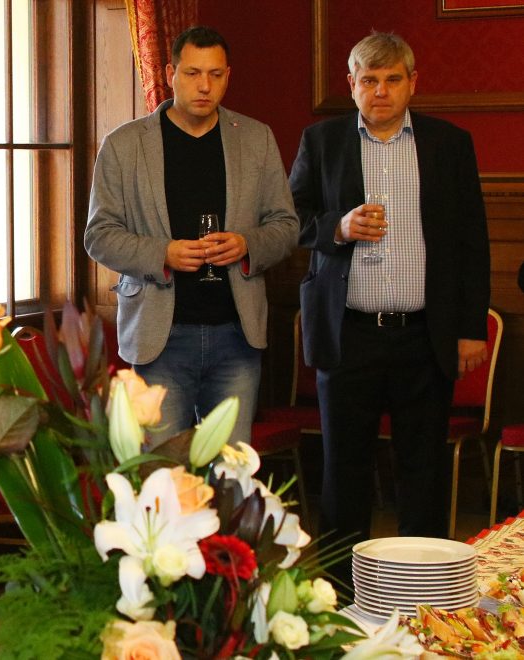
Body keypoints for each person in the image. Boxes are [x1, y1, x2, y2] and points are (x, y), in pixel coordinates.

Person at [289, 32, 489, 589]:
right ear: (351, 85)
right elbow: (289, 221)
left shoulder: (449, 143)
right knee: (343, 473)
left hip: (424, 334)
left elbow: (472, 240)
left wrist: (470, 328)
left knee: (423, 473)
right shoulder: (321, 141)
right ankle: (338, 596)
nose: (381, 91)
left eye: (392, 80)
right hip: (347, 333)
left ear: (412, 83)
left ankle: (422, 593)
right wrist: (338, 227)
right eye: (369, 80)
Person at [84, 25, 299, 446]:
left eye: (215, 75)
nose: (204, 86)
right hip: (160, 338)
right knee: (163, 471)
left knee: (232, 472)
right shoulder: (124, 145)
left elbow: (286, 226)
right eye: (193, 73)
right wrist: (162, 253)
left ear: (228, 76)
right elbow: (99, 235)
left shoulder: (256, 138)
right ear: (170, 74)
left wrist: (247, 245)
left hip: (236, 335)